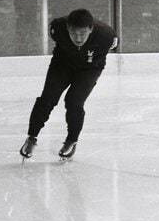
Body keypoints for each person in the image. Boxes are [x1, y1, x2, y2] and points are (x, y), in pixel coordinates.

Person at [19, 9, 117, 160]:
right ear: (67, 29)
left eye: (82, 33)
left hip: (89, 69)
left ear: (91, 29)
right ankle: (31, 137)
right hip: (62, 65)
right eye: (74, 33)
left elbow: (107, 50)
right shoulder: (57, 28)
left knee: (74, 102)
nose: (78, 38)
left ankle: (71, 140)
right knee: (48, 99)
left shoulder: (106, 36)